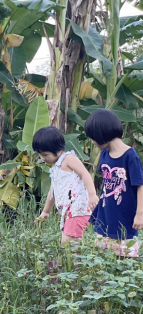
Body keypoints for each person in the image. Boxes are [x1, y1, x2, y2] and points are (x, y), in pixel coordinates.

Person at [85, 109, 143, 257]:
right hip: (106, 214)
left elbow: (140, 186)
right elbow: (106, 182)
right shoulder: (104, 154)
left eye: (93, 137)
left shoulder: (130, 156)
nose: (92, 142)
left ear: (102, 133)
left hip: (125, 215)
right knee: (103, 257)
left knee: (126, 259)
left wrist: (140, 214)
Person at [34, 126, 98, 244]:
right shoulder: (56, 168)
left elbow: (85, 174)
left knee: (68, 244)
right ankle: (73, 262)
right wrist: (46, 212)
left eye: (45, 155)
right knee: (69, 244)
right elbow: (52, 192)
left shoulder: (68, 159)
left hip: (77, 209)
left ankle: (73, 262)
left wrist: (92, 195)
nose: (42, 158)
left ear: (58, 150)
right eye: (40, 155)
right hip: (69, 212)